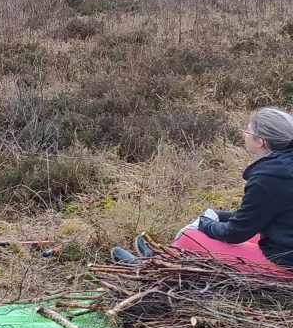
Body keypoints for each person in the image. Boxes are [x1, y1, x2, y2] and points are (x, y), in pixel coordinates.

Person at [114, 107, 293, 276]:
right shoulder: (284, 167)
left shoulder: (268, 178)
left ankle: (151, 268)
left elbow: (234, 234)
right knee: (252, 234)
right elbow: (262, 214)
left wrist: (204, 223)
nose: (243, 134)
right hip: (285, 248)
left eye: (247, 130)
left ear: (260, 142)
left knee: (189, 237)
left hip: (283, 267)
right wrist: (220, 216)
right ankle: (163, 256)